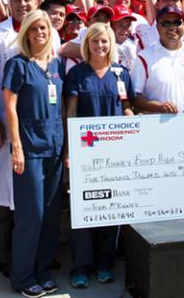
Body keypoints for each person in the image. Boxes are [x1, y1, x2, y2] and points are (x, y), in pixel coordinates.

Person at [65, 22, 134, 289]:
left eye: (104, 41)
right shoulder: (77, 74)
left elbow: (127, 106)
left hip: (115, 153)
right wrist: (70, 148)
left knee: (111, 208)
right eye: (95, 41)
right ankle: (81, 267)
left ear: (111, 44)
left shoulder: (121, 74)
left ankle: (105, 264)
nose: (100, 46)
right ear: (87, 44)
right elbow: (70, 111)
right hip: (86, 152)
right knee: (84, 208)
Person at [2, 9, 65, 298]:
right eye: (34, 28)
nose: (40, 32)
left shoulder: (56, 64)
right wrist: (16, 146)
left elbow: (62, 106)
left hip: (54, 147)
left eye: (44, 28)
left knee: (51, 214)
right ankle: (23, 277)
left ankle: (42, 270)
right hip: (29, 150)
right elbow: (10, 108)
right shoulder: (17, 65)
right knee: (32, 214)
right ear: (26, 32)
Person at [0, 0, 38, 277]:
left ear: (37, 1)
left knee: (32, 191)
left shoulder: (46, 31)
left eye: (28, 0)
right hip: (6, 125)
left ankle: (31, 251)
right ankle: (3, 254)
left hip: (37, 126)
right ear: (9, 2)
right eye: (18, 0)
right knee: (4, 191)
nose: (23, 5)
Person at [132, 6, 184, 114]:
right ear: (157, 27)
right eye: (166, 23)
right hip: (157, 126)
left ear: (183, 26)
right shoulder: (144, 57)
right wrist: (158, 106)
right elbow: (135, 97)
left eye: (177, 22)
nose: (172, 27)